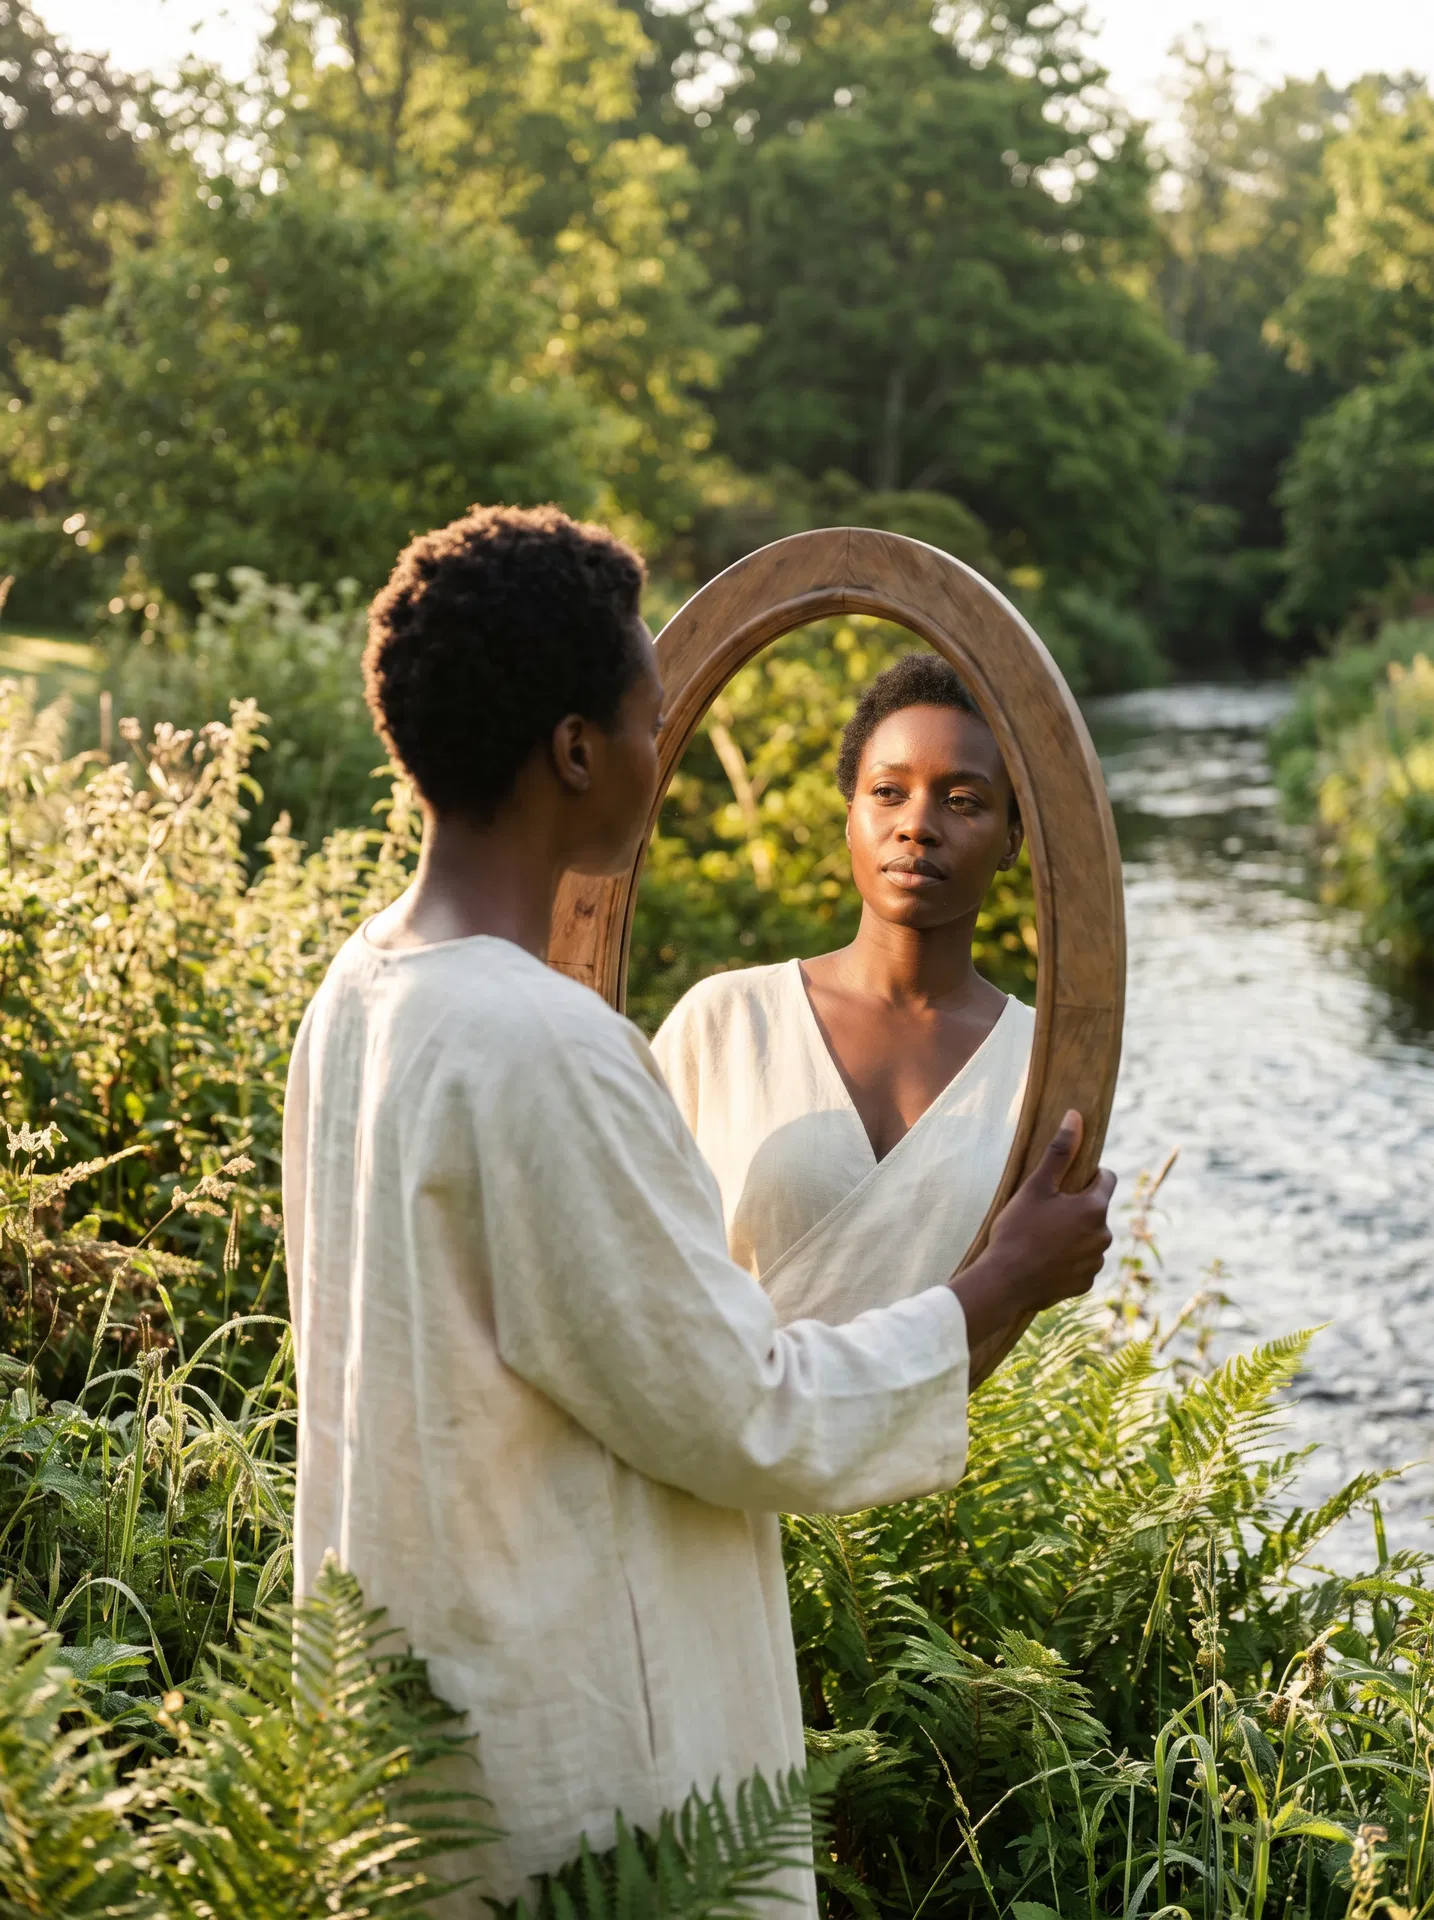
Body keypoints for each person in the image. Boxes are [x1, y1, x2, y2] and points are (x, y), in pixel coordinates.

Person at [281, 504, 1115, 1913]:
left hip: (408, 1702)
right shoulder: (543, 1046)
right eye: (646, 714)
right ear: (572, 751)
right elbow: (737, 1402)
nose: (660, 747)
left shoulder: (354, 994)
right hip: (576, 1736)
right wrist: (1002, 1286)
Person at [652, 654, 1034, 1348]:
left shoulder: (1039, 1062)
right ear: (849, 814)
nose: (917, 825)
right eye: (888, 792)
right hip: (709, 1445)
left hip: (932, 1454)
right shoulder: (727, 1023)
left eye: (963, 801)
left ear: (1013, 836)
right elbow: (621, 1259)